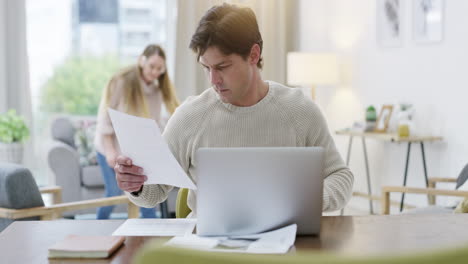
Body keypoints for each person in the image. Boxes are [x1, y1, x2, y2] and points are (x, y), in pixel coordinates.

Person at [115, 3, 354, 217]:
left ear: (254, 54)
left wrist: (306, 201)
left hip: (285, 240)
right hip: (208, 247)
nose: (213, 79)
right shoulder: (190, 116)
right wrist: (135, 184)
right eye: (206, 67)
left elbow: (341, 177)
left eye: (222, 67)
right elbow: (153, 192)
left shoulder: (299, 110)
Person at [94, 44, 180, 219]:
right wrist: (111, 152)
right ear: (142, 61)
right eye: (152, 66)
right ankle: (96, 229)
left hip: (131, 152)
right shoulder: (121, 82)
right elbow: (105, 119)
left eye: (159, 68)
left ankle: (151, 238)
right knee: (113, 193)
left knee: (145, 195)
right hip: (108, 147)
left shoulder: (156, 92)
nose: (155, 72)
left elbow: (152, 125)